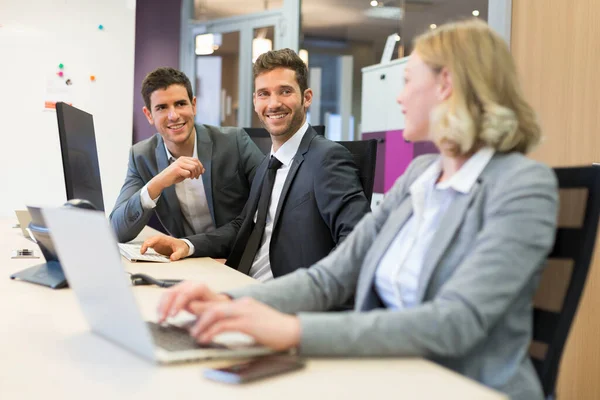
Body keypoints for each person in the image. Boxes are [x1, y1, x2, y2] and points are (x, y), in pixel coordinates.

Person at [155, 20, 559, 400]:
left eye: (407, 82)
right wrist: (229, 300)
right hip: (387, 370)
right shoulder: (421, 174)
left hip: (460, 383)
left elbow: (456, 322)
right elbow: (332, 276)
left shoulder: (523, 186)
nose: (399, 97)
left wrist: (293, 330)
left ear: (445, 85)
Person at [141, 49, 370, 282]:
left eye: (285, 91)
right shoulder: (267, 164)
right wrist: (186, 244)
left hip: (285, 296)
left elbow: (358, 239)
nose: (274, 103)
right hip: (241, 281)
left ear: (307, 97)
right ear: (254, 101)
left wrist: (311, 292)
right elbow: (244, 227)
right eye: (264, 94)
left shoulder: (326, 158)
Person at [110, 67, 265, 243]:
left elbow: (270, 200)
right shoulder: (141, 157)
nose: (173, 115)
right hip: (192, 260)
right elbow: (117, 231)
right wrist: (159, 182)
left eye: (180, 104)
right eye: (161, 107)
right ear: (149, 115)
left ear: (193, 105)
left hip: (239, 255)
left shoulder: (234, 141)